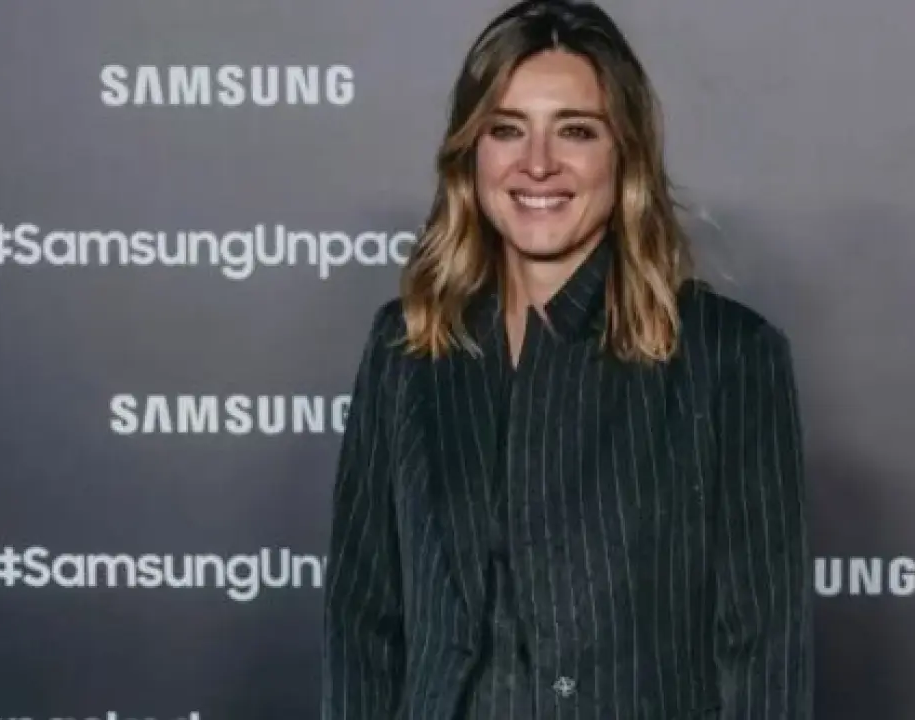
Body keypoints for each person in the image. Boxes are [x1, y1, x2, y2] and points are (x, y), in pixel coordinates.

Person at [320, 1, 812, 717]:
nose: (538, 163)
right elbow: (363, 622)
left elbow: (764, 650)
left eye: (575, 130)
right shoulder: (406, 347)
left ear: (625, 154)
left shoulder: (729, 357)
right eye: (506, 129)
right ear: (471, 153)